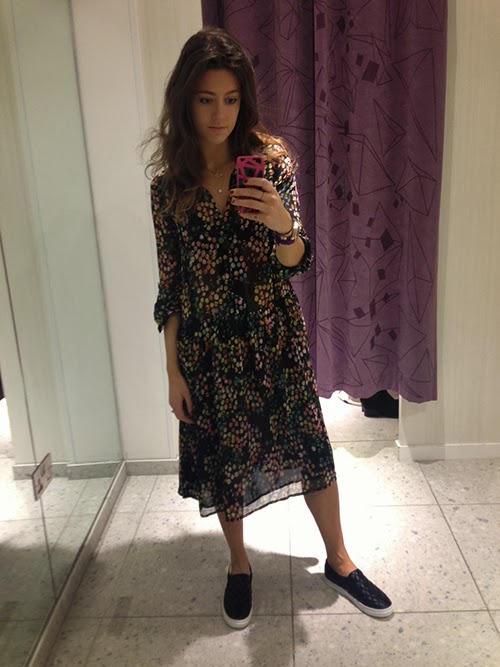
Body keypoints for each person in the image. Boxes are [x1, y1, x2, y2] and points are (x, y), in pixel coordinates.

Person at [145, 27, 393, 629]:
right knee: (225, 460)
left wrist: (284, 222)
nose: (219, 114)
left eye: (231, 99)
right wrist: (173, 372)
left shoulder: (270, 163)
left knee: (311, 449)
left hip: (273, 339)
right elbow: (172, 289)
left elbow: (296, 261)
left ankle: (339, 560)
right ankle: (239, 566)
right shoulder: (169, 188)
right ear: (185, 100)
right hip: (208, 351)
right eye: (206, 99)